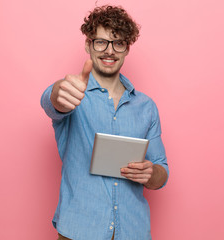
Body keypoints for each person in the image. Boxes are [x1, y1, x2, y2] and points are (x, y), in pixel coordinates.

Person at [41, 5, 169, 240]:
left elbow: (162, 170)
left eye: (118, 43)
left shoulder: (146, 107)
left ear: (127, 48)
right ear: (88, 45)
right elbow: (52, 102)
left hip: (133, 231)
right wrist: (60, 92)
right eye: (101, 42)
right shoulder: (74, 94)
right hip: (78, 231)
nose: (109, 51)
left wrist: (151, 174)